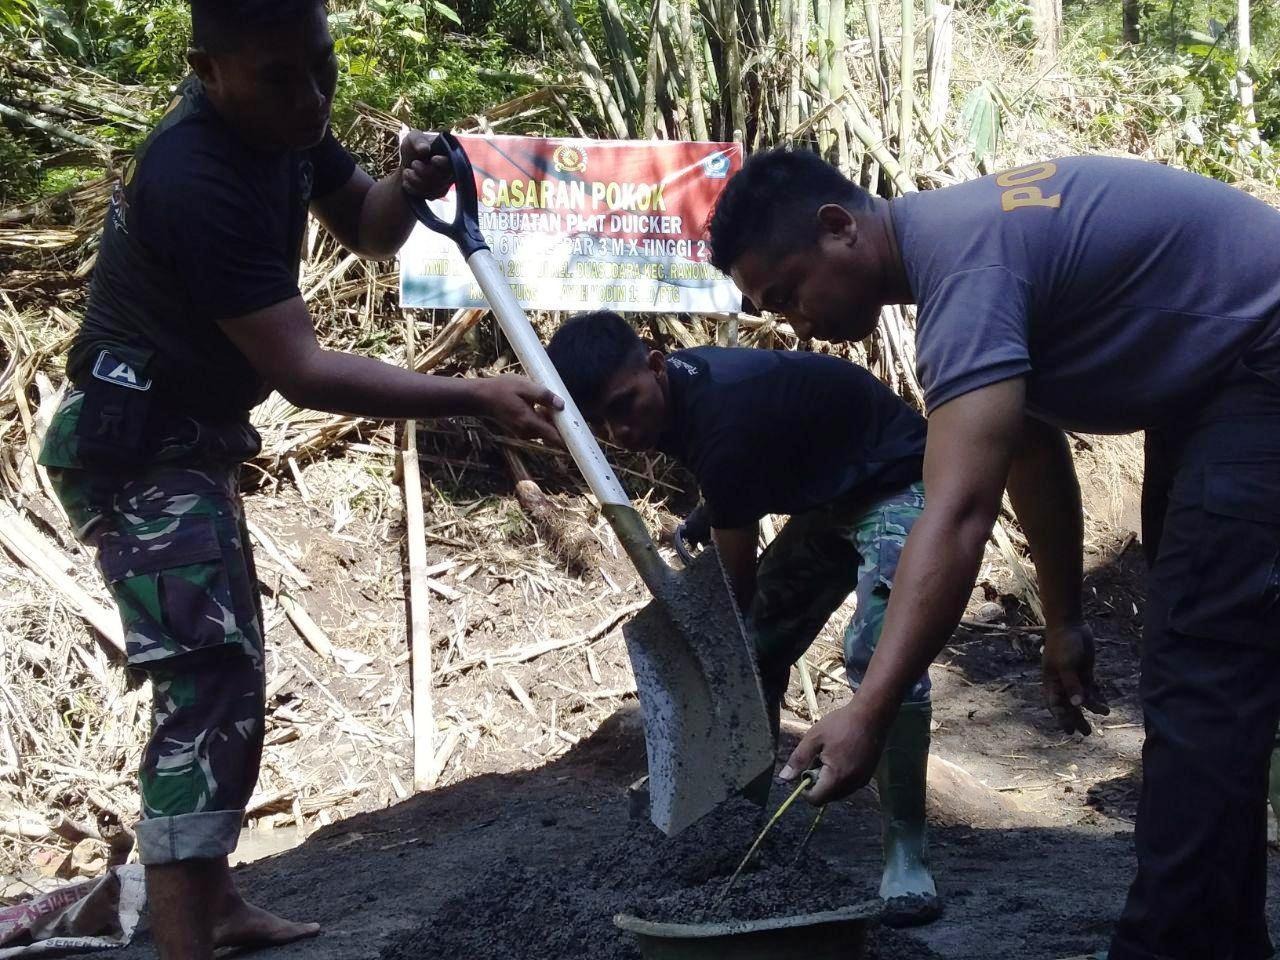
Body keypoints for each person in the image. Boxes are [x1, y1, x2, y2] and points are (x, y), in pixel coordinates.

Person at [37, 3, 561, 958]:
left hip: (193, 441)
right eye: (282, 77)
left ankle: (218, 902)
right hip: (132, 442)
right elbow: (303, 371)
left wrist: (409, 183)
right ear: (209, 70)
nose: (312, 97)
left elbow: (370, 229)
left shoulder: (289, 123)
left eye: (323, 69)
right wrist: (474, 392)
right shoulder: (194, 174)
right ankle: (183, 939)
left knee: (232, 674)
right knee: (204, 679)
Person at [706, 147, 1280, 959]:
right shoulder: (968, 250)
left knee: (1202, 670)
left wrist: (870, 710)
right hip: (1216, 383)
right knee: (1209, 667)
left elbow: (960, 513)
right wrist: (1064, 620)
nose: (797, 322)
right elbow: (1029, 454)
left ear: (838, 228)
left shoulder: (966, 270)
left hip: (1261, 362)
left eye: (789, 293)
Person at [547, 310, 940, 925]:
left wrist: (711, 645)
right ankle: (735, 810)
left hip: (897, 478)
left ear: (654, 363)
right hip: (828, 491)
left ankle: (906, 852)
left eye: (625, 406)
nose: (620, 430)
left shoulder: (721, 412)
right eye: (600, 421)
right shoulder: (677, 394)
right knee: (758, 645)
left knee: (881, 651)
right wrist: (713, 513)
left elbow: (735, 588)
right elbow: (759, 452)